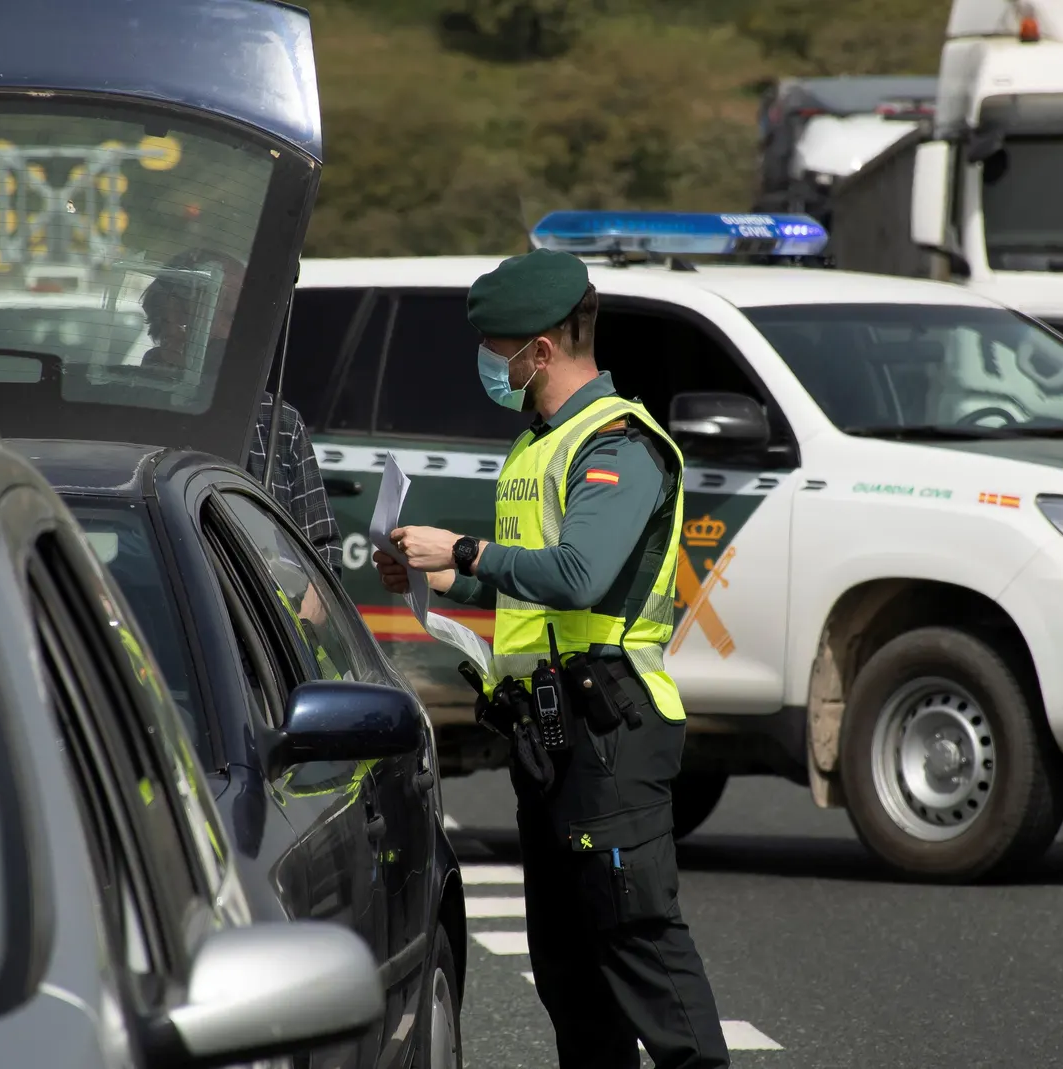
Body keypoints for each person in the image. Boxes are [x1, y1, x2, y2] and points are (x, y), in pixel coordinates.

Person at [374, 248, 729, 1069]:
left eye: (497, 346)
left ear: (541, 349)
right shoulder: (539, 442)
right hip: (551, 737)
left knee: (641, 952)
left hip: (612, 731)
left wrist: (462, 550)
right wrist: (440, 575)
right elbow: (535, 596)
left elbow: (579, 575)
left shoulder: (617, 443)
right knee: (572, 979)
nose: (486, 362)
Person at [140, 249, 342, 575]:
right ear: (172, 319)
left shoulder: (278, 421)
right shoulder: (122, 407)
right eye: (229, 315)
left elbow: (322, 545)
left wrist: (312, 596)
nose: (240, 331)